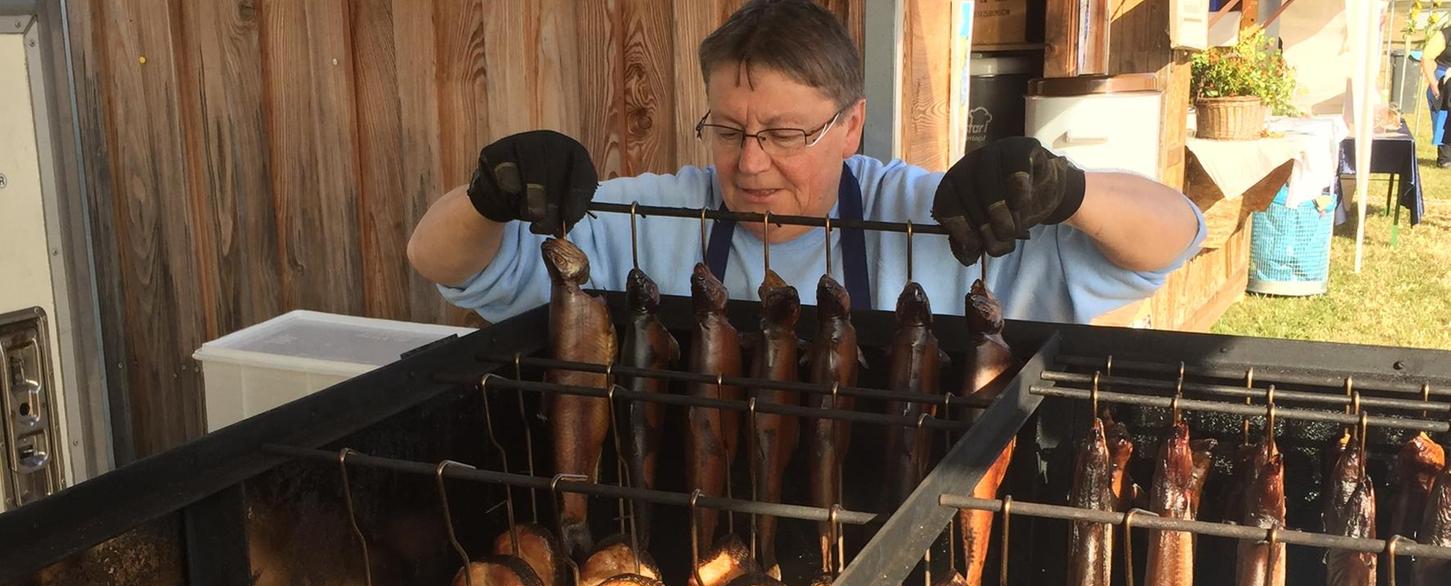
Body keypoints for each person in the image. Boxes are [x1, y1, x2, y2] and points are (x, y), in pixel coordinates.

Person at [408, 0, 1205, 324]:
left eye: (786, 135)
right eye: (726, 130)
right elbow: (441, 262)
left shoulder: (931, 218)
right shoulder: (649, 217)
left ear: (851, 125)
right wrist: (488, 197)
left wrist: (1066, 192)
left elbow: (1171, 238)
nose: (749, 163)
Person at [1423, 21, 1451, 167]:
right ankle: (1445, 159)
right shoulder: (1444, 35)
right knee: (1443, 119)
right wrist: (1433, 83)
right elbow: (1426, 57)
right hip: (1444, 81)